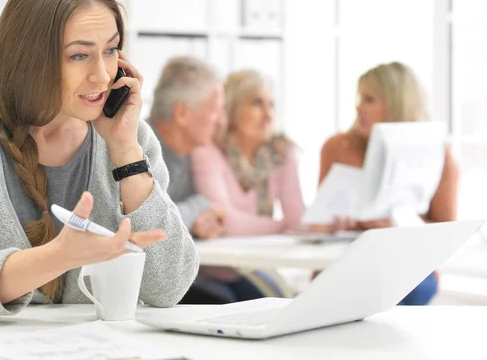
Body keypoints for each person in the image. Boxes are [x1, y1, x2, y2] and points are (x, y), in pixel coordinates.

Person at [0, 0, 198, 320]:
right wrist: (58, 256)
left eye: (111, 50)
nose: (102, 75)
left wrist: (126, 154)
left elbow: (169, 287)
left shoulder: (133, 138)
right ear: (29, 60)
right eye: (79, 55)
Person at [314, 61, 459, 305]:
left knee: (394, 292)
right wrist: (335, 224)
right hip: (347, 261)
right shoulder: (337, 147)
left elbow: (445, 235)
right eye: (359, 98)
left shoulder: (438, 155)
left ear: (396, 104)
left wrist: (398, 223)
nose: (359, 106)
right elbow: (317, 222)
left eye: (369, 99)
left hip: (409, 268)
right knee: (347, 288)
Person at [191, 69, 306, 302]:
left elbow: (298, 218)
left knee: (287, 304)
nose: (268, 114)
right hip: (215, 270)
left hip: (255, 266)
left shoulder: (281, 152)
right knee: (278, 304)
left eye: (271, 105)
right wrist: (281, 226)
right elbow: (227, 221)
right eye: (257, 104)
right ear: (232, 109)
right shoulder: (208, 151)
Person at [149, 56, 233, 304]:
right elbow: (152, 223)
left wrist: (202, 220)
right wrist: (199, 207)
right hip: (151, 284)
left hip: (179, 271)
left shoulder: (189, 154)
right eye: (215, 110)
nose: (222, 121)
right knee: (229, 301)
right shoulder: (139, 148)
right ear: (182, 113)